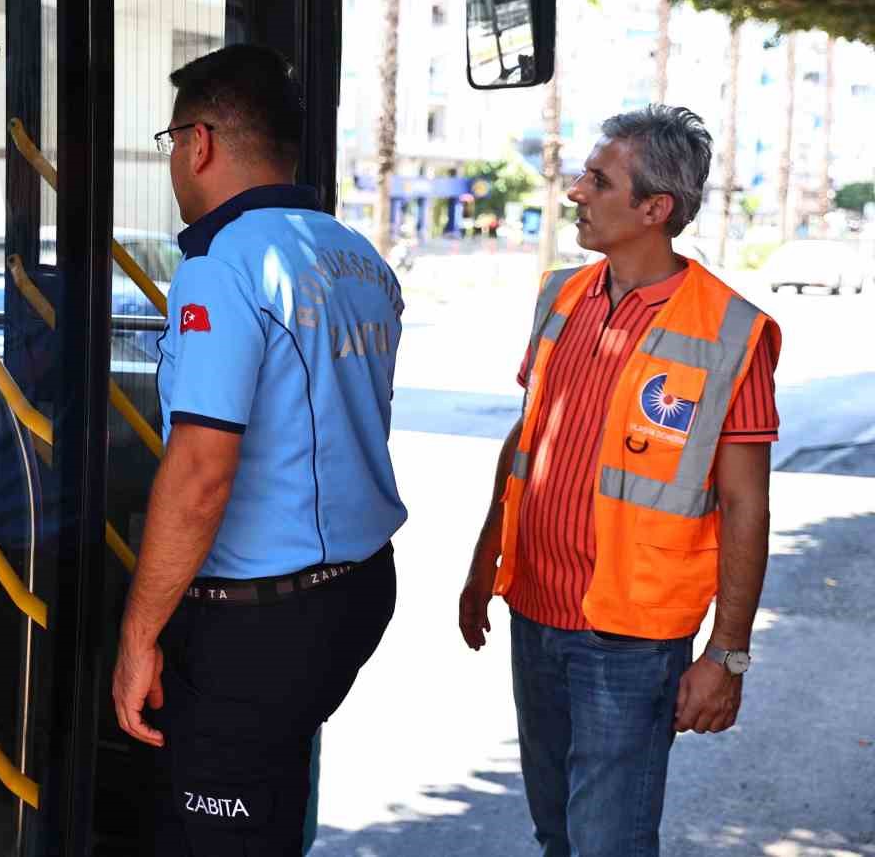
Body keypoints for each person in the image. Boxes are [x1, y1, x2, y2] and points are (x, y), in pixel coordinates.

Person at [458, 105, 780, 857]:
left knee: (607, 844)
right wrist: (485, 563)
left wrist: (726, 656)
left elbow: (746, 505)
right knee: (557, 834)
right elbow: (528, 435)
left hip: (630, 641)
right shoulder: (562, 296)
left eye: (598, 181)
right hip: (535, 613)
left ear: (653, 208)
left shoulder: (731, 332)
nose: (575, 191)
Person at [111, 44, 406, 855]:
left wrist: (139, 639)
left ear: (199, 141)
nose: (173, 159)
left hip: (258, 623)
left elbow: (202, 472)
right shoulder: (357, 257)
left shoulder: (223, 265)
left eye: (170, 140)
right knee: (269, 814)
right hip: (351, 592)